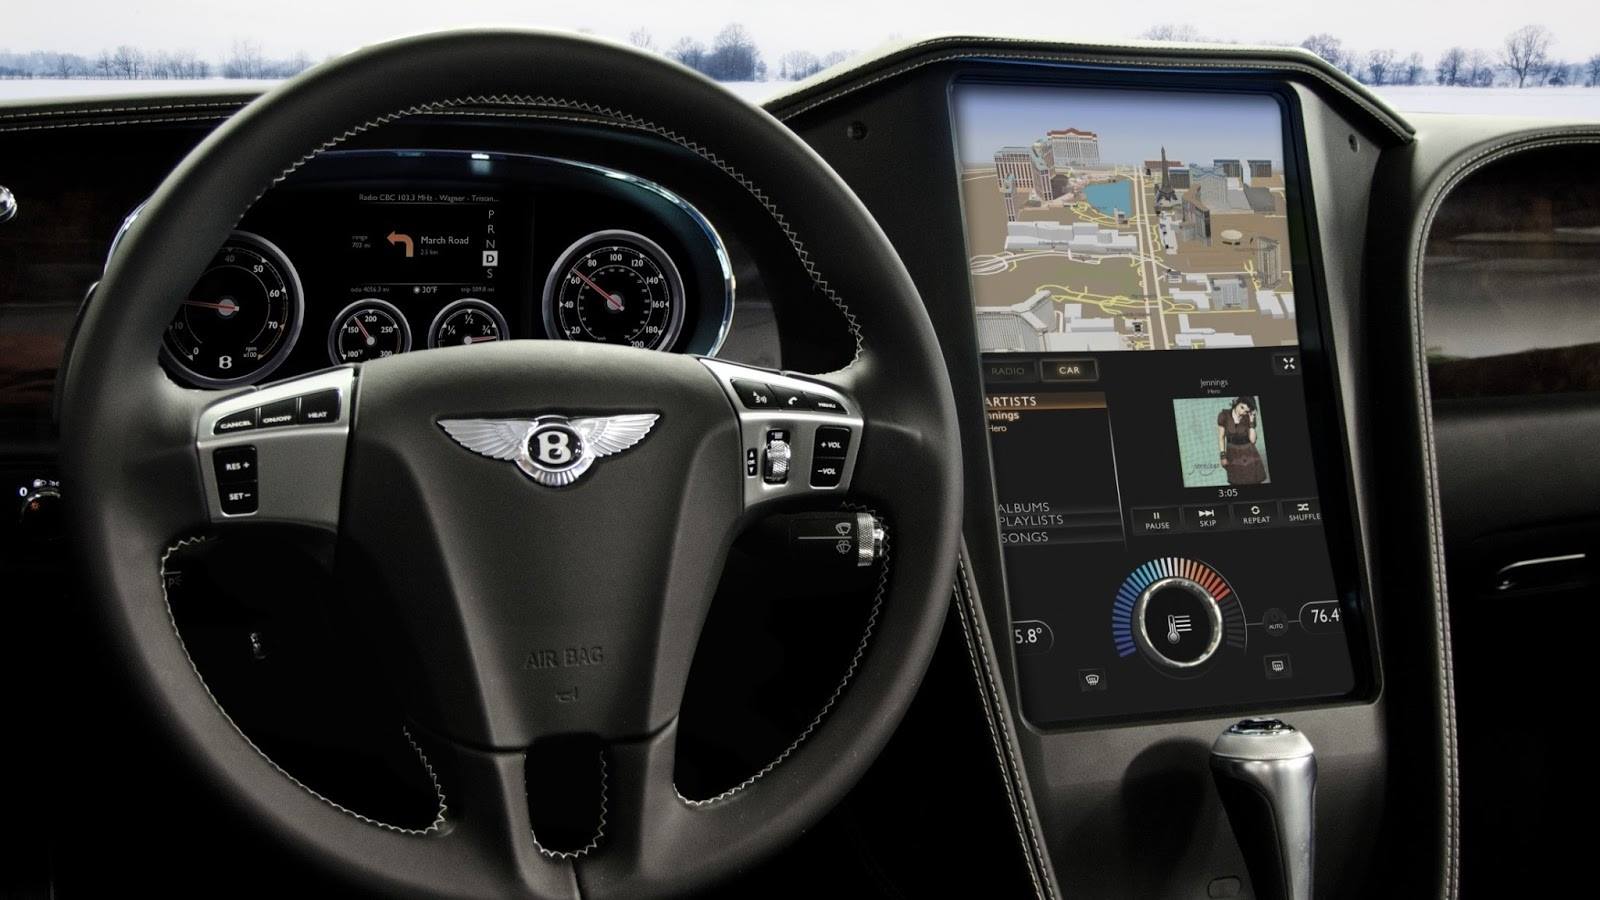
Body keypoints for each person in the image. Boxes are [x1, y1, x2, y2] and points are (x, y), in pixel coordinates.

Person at [1217, 397, 1267, 485]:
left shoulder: (1248, 417)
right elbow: (1221, 437)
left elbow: (1252, 440)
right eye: (1241, 407)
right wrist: (1222, 456)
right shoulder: (1224, 415)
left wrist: (1251, 422)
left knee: (1253, 482)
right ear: (1236, 403)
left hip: (1249, 453)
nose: (1242, 412)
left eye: (1246, 411)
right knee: (1236, 482)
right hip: (1232, 454)